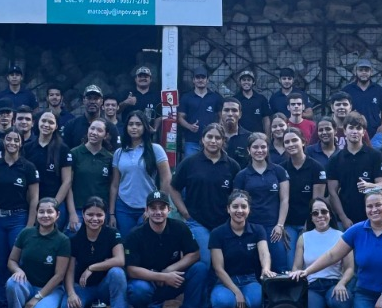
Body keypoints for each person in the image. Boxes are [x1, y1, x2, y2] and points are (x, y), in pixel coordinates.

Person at [122, 190, 206, 308]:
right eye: (153, 208)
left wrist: (169, 270)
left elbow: (194, 254)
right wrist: (162, 277)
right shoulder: (135, 234)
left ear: (169, 210)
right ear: (146, 211)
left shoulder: (180, 228)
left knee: (200, 269)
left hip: (173, 279)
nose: (158, 212)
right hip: (147, 282)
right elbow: (131, 270)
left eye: (162, 208)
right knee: (137, 289)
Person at [0, 127, 40, 308]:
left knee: (19, 260)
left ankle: (22, 303)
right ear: (4, 142)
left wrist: (30, 225)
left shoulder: (28, 167)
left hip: (19, 218)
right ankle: (3, 306)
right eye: (9, 139)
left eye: (16, 140)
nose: (12, 142)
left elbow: (34, 199)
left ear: (21, 143)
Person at [170, 123, 240, 274]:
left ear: (223, 141)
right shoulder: (190, 162)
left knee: (223, 263)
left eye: (217, 138)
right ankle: (203, 296)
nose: (213, 141)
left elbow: (236, 196)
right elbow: (174, 188)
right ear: (202, 139)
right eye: (209, 137)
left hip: (223, 224)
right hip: (197, 222)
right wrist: (185, 213)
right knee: (206, 261)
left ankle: (218, 295)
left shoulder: (232, 166)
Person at [63, 197, 130, 308]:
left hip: (106, 286)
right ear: (83, 215)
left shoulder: (112, 234)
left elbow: (120, 260)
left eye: (99, 215)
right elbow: (69, 271)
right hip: (84, 287)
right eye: (90, 214)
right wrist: (71, 293)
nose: (95, 219)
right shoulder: (75, 239)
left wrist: (92, 268)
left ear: (105, 216)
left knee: (117, 272)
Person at [208, 191, 273, 308]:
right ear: (228, 209)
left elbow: (264, 253)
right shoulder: (217, 233)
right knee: (223, 303)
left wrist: (266, 269)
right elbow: (218, 268)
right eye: (235, 206)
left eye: (244, 207)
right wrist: (237, 293)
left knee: (257, 301)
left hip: (250, 279)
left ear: (249, 210)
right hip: (224, 281)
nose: (239, 211)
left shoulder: (258, 230)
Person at [5, 196, 71, 308]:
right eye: (41, 212)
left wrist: (37, 298)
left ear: (57, 215)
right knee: (12, 283)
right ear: (36, 214)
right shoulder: (26, 233)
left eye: (49, 212)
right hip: (27, 285)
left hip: (51, 289)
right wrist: (18, 270)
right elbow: (11, 260)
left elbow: (59, 275)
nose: (45, 215)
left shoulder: (63, 240)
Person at [293, 198, 352, 308]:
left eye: (324, 211)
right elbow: (296, 266)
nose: (320, 215)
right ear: (311, 217)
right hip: (312, 284)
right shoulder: (304, 238)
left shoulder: (341, 236)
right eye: (315, 213)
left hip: (334, 284)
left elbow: (349, 268)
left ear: (330, 214)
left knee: (343, 304)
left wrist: (342, 283)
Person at [109, 111, 171, 234]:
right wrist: (111, 213)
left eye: (138, 124)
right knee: (127, 244)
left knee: (146, 244)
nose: (134, 127)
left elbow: (166, 179)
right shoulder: (119, 152)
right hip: (123, 207)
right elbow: (114, 184)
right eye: (130, 124)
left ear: (145, 127)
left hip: (149, 206)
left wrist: (158, 205)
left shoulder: (156, 149)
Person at [234, 132, 290, 259]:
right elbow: (236, 204)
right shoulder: (242, 175)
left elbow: (284, 199)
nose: (259, 150)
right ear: (249, 150)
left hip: (273, 227)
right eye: (255, 147)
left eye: (263, 147)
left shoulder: (279, 171)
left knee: (280, 265)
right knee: (253, 266)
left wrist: (280, 225)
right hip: (250, 227)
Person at [328, 114, 382, 229]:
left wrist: (369, 186)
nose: (354, 131)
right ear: (344, 131)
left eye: (358, 128)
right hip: (344, 219)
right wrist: (343, 218)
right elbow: (332, 193)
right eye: (351, 128)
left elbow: (381, 185)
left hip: (371, 217)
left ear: (364, 132)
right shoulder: (335, 159)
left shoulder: (375, 156)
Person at [278, 129, 327, 250]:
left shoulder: (317, 168)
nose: (291, 144)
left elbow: (317, 202)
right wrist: (281, 225)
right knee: (291, 265)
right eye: (287, 142)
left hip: (310, 223)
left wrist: (308, 226)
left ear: (303, 142)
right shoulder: (280, 169)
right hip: (288, 225)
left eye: (294, 140)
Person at [67, 119, 115, 231]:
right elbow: (68, 185)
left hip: (101, 211)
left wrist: (111, 214)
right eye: (92, 128)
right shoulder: (74, 153)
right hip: (78, 208)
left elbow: (112, 186)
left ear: (106, 135)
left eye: (99, 130)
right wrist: (72, 213)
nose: (94, 132)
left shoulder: (109, 157)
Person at [24, 110, 74, 206]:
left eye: (51, 122)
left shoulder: (63, 149)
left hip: (54, 203)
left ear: (56, 127)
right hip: (30, 204)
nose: (46, 124)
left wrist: (55, 204)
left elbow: (67, 181)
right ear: (38, 122)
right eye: (43, 121)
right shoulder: (27, 148)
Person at [177, 66, 222, 156]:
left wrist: (218, 129)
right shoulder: (186, 97)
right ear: (193, 80)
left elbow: (221, 117)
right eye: (197, 77)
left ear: (207, 80)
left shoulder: (215, 97)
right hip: (192, 142)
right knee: (191, 168)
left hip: (211, 141)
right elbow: (179, 117)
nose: (200, 80)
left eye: (203, 77)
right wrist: (189, 126)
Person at [346, 59, 382, 145]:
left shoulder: (378, 90)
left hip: (375, 135)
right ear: (355, 72)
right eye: (361, 70)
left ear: (371, 72)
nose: (364, 72)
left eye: (366, 70)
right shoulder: (348, 90)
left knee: (376, 158)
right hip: (354, 133)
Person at [217, 99, 251, 166]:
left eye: (234, 110)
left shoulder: (249, 138)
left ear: (240, 114)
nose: (230, 114)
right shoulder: (213, 138)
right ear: (220, 114)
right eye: (226, 110)